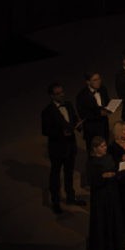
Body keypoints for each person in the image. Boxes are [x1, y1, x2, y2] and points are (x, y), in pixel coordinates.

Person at [41, 82, 84, 214]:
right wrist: (61, 133)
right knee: (55, 175)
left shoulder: (69, 105)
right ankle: (55, 202)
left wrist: (79, 125)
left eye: (62, 92)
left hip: (70, 145)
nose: (61, 95)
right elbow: (45, 131)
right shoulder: (47, 111)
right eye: (58, 93)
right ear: (52, 96)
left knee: (69, 173)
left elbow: (74, 119)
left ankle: (71, 197)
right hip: (57, 148)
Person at [85, 137, 125, 250]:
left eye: (105, 145)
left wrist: (121, 165)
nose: (105, 148)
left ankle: (116, 245)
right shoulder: (91, 162)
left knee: (114, 217)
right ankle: (104, 248)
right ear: (95, 149)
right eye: (102, 146)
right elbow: (90, 180)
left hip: (112, 192)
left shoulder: (108, 157)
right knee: (102, 219)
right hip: (100, 196)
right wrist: (103, 176)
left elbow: (115, 169)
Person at [77, 71, 111, 150]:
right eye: (95, 80)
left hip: (104, 126)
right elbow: (83, 114)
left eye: (99, 79)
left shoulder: (103, 89)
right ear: (88, 82)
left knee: (105, 150)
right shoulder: (82, 95)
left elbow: (106, 102)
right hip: (92, 129)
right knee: (93, 152)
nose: (98, 81)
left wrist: (110, 107)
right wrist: (99, 113)